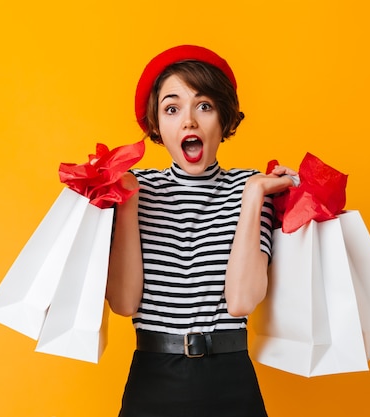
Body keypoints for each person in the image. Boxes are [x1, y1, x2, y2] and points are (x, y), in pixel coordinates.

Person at [105, 45, 297, 417]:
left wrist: (254, 195)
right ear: (157, 126)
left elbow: (241, 301)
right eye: (172, 108)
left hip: (230, 382)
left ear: (224, 119)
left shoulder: (252, 187)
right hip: (152, 381)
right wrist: (127, 202)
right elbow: (124, 303)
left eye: (204, 106)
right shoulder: (133, 188)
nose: (189, 122)